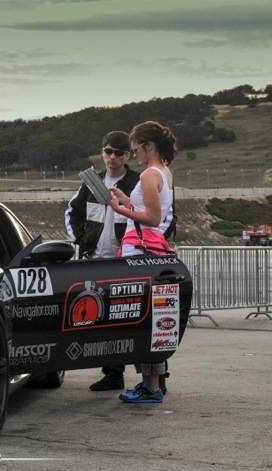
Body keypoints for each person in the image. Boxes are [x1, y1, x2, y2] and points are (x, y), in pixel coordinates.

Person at [65, 130, 139, 392]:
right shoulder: (90, 183)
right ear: (102, 153)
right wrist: (81, 240)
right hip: (95, 261)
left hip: (126, 262)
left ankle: (151, 378)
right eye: (108, 151)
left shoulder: (137, 183)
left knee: (129, 320)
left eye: (119, 152)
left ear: (128, 155)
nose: (113, 157)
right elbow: (71, 213)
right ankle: (112, 374)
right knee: (103, 320)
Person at [108, 120, 177, 404]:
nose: (133, 154)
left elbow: (152, 218)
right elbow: (154, 212)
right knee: (153, 320)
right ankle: (152, 384)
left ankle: (150, 386)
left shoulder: (149, 174)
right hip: (153, 250)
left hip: (140, 251)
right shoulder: (164, 172)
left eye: (135, 149)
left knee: (143, 320)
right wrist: (128, 201)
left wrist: (120, 210)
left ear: (147, 147)